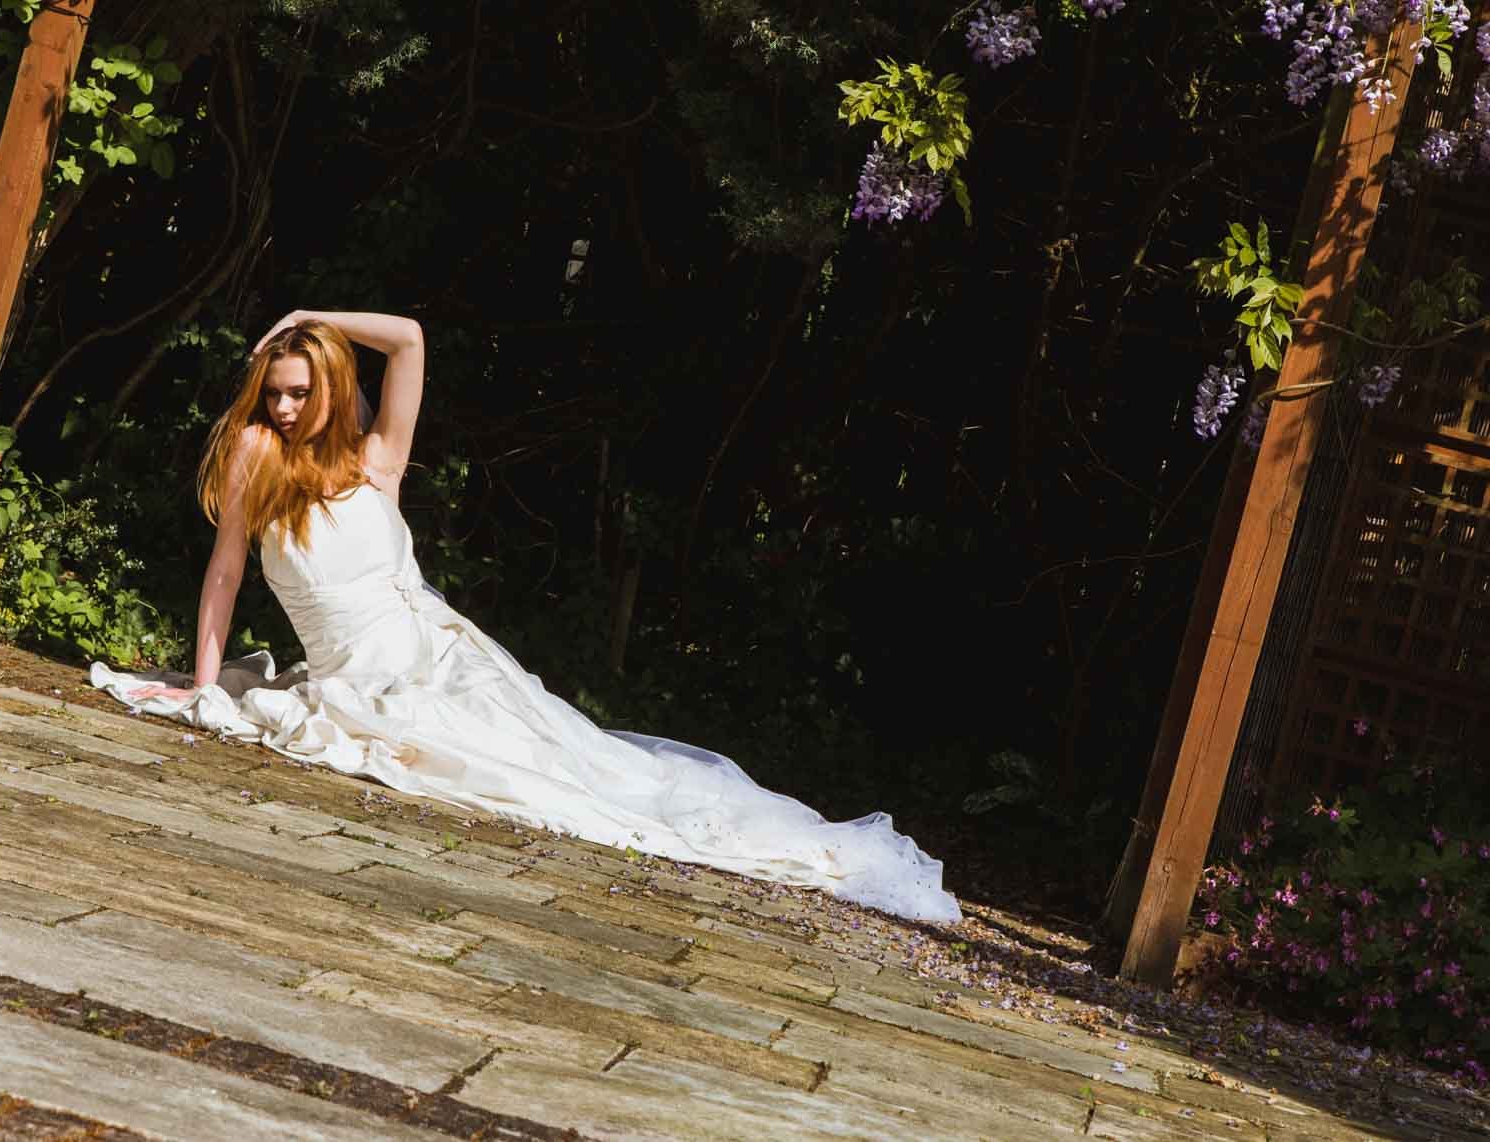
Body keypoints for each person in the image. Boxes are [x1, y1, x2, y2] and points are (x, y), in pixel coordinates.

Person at [90, 310, 962, 923]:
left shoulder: (377, 458)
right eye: (272, 392)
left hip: (442, 651)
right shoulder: (253, 454)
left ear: (328, 388)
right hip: (355, 672)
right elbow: (226, 570)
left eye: (296, 392)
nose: (281, 408)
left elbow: (409, 339)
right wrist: (202, 686)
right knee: (498, 770)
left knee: (586, 775)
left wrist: (313, 315)